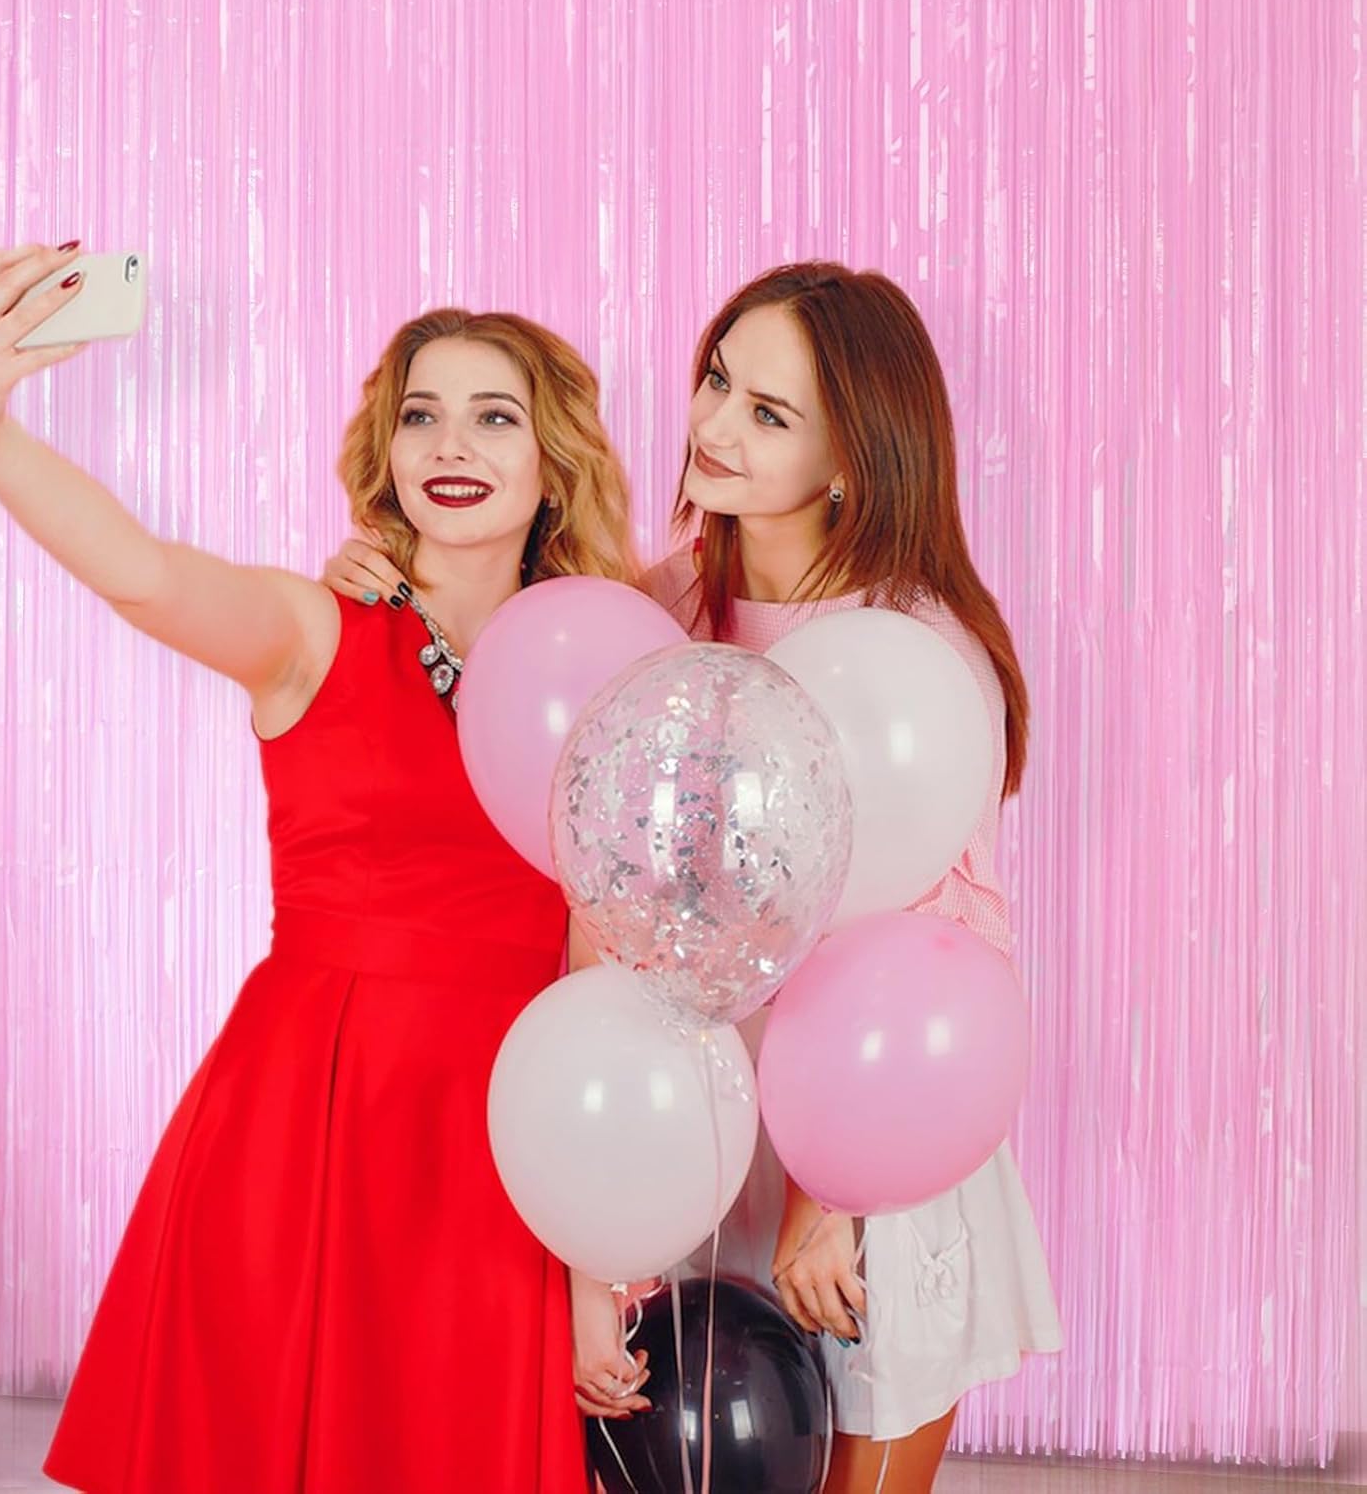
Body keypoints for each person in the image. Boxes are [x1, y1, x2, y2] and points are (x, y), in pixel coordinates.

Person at [325, 260, 1063, 1493]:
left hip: (867, 1124)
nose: (714, 425)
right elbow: (565, 814)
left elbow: (930, 939)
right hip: (692, 1120)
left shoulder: (917, 651)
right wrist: (384, 579)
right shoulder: (664, 607)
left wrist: (834, 1192)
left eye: (768, 414)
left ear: (850, 458)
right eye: (718, 380)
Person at [0, 240, 645, 1493]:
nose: (451, 444)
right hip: (308, 1112)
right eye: (421, 415)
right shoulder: (315, 626)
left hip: (503, 1134)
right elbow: (146, 578)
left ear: (554, 461)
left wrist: (595, 1274)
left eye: (495, 417)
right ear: (387, 450)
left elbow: (599, 965)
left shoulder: (606, 666)